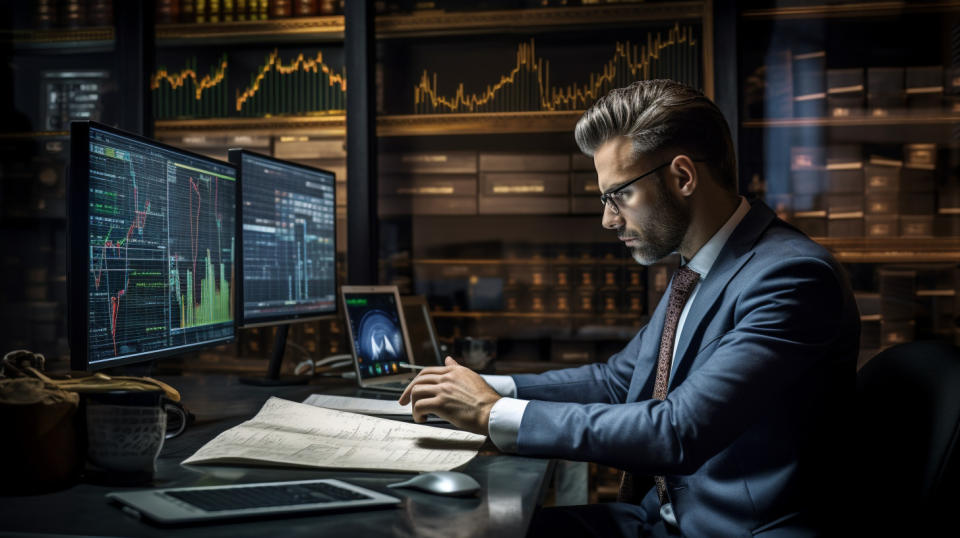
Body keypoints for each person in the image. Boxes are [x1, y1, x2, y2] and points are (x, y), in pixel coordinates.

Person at [398, 79, 858, 537]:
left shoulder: (792, 277)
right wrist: (473, 388)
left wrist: (491, 412)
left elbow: (679, 429)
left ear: (682, 177)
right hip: (658, 521)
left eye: (619, 194)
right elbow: (618, 382)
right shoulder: (700, 268)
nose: (609, 219)